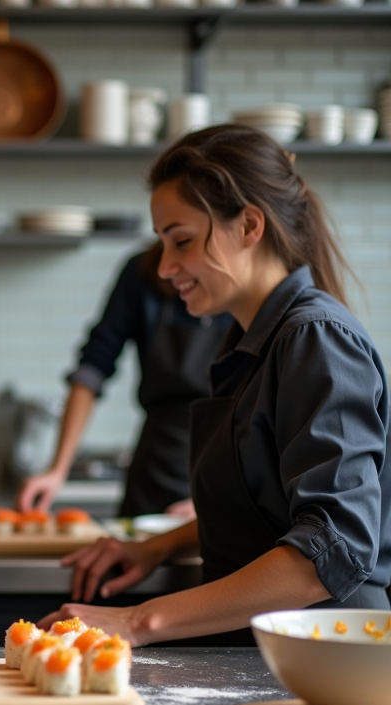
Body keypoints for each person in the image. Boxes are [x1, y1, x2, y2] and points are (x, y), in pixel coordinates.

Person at [42, 125, 391, 644]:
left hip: (326, 654)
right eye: (163, 243)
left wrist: (139, 621)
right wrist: (157, 547)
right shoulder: (252, 342)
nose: (165, 267)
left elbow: (330, 549)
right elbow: (265, 516)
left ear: (249, 225)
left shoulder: (315, 338)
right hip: (270, 646)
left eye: (181, 240)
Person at [16, 242, 232, 518]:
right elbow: (93, 367)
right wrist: (58, 469)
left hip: (227, 472)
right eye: (161, 232)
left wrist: (221, 496)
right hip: (156, 469)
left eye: (180, 236)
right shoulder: (143, 271)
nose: (167, 267)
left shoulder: (258, 290)